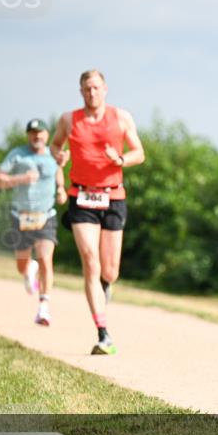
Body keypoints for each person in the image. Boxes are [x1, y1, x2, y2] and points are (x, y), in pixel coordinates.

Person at [51, 70, 145, 354]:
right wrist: (59, 155)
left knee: (110, 269)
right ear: (81, 92)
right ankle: (103, 334)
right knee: (90, 260)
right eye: (86, 89)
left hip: (113, 196)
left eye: (96, 88)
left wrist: (121, 159)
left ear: (105, 89)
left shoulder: (121, 117)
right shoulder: (69, 119)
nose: (91, 93)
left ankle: (106, 284)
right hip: (81, 196)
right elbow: (56, 145)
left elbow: (139, 152)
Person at [0, 119, 67, 325]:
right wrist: (21, 179)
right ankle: (28, 270)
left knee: (45, 258)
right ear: (28, 136)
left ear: (47, 134)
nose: (36, 136)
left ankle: (43, 308)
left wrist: (61, 189)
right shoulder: (17, 154)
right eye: (32, 133)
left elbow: (58, 171)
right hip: (21, 216)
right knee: (21, 265)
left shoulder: (53, 155)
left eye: (40, 133)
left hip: (46, 216)